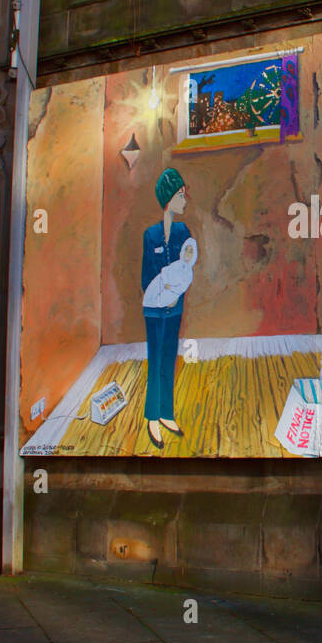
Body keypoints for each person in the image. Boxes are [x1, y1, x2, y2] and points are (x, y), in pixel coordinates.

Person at [141, 168, 191, 449]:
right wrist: (163, 296)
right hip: (154, 310)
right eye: (181, 195)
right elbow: (146, 277)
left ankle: (167, 413)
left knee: (169, 358)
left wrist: (176, 295)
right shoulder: (150, 235)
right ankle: (152, 417)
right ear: (169, 198)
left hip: (175, 310)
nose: (185, 200)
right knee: (156, 358)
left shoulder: (184, 231)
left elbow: (186, 267)